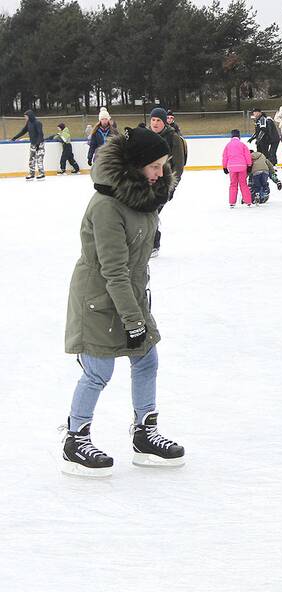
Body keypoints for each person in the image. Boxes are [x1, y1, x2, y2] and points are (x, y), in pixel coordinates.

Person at [60, 126, 186, 477]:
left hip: (131, 294)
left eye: (164, 166)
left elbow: (136, 264)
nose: (161, 174)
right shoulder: (105, 206)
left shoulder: (144, 198)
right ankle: (75, 439)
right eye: (155, 166)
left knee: (147, 360)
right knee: (98, 372)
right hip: (97, 299)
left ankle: (145, 433)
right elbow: (113, 270)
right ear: (134, 166)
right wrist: (132, 321)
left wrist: (137, 313)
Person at [148, 107, 186, 257]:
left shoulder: (173, 138)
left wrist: (171, 187)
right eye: (153, 120)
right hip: (147, 182)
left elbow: (179, 166)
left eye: (158, 120)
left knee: (151, 212)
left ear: (164, 122)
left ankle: (153, 244)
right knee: (145, 212)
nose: (155, 123)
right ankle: (146, 243)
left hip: (164, 184)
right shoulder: (147, 136)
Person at [221, 129, 253, 208]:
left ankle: (232, 202)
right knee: (243, 184)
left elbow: (224, 157)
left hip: (232, 168)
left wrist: (224, 167)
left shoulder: (228, 145)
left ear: (231, 136)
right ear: (239, 136)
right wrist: (249, 165)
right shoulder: (242, 145)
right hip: (242, 167)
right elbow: (247, 155)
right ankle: (248, 201)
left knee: (233, 184)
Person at [12, 109, 45, 180]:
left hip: (40, 144)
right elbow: (23, 131)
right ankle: (31, 174)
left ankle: (41, 174)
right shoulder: (29, 123)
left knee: (39, 159)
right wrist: (15, 137)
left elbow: (40, 134)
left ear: (30, 116)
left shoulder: (38, 123)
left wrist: (38, 144)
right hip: (33, 144)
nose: (25, 118)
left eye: (26, 116)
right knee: (31, 159)